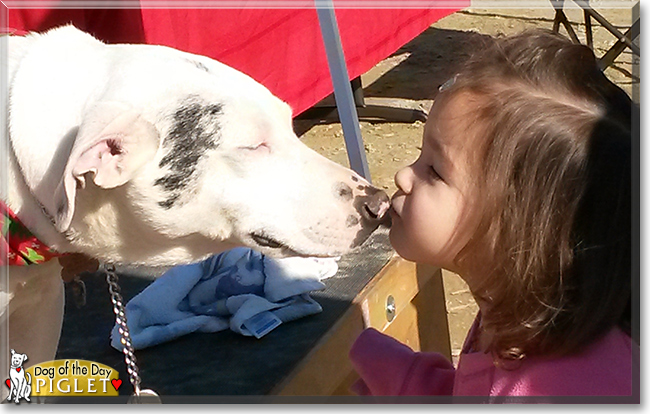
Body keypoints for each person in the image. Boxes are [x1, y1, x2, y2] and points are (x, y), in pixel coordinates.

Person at [349, 29, 636, 398]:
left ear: (520, 229)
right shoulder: (522, 314)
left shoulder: (560, 389)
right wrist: (409, 384)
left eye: (435, 170)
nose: (404, 175)